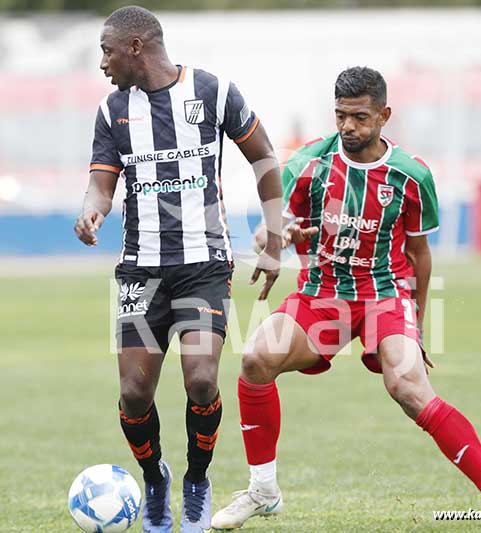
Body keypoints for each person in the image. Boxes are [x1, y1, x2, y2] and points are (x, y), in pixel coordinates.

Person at [211, 67, 481, 531]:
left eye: (360, 117)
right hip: (322, 293)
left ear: (384, 115)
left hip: (384, 294)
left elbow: (419, 254)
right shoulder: (309, 163)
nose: (348, 126)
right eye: (340, 115)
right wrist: (274, 238)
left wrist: (417, 323)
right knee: (257, 358)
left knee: (409, 388)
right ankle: (263, 491)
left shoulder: (411, 175)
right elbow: (270, 226)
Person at [74, 6, 282, 533]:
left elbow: (264, 158)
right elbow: (102, 182)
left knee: (202, 380)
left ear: (136, 47)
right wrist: (92, 209)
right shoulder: (112, 110)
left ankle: (196, 481)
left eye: (107, 52)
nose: (103, 63)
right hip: (140, 271)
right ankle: (154, 478)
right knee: (134, 394)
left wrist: (275, 236)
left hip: (203, 266)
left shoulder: (213, 91)